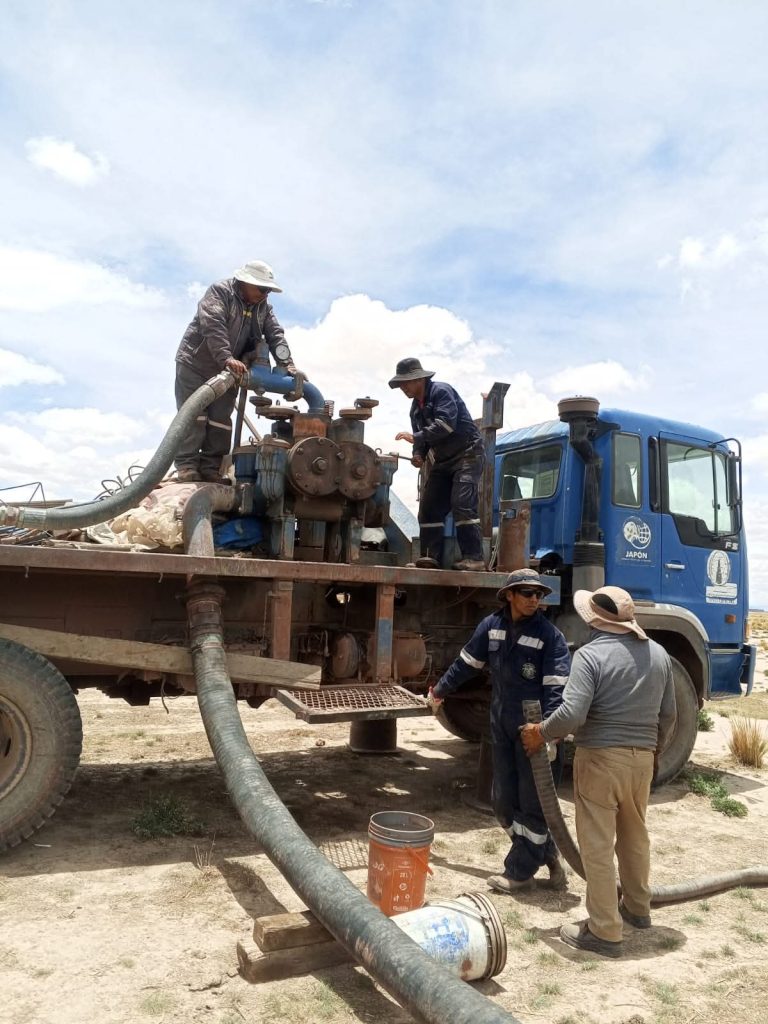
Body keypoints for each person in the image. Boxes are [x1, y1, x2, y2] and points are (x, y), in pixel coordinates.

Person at [520, 585, 677, 959]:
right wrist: (653, 749)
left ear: (594, 619)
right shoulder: (659, 654)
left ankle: (605, 931)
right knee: (635, 835)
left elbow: (573, 714)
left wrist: (540, 733)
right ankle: (637, 908)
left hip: (601, 759)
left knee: (597, 846)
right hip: (642, 760)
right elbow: (670, 715)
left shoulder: (590, 656)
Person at [430, 568, 571, 891]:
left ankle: (519, 873)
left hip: (533, 730)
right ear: (509, 595)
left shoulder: (550, 636)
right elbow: (466, 665)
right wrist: (439, 691)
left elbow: (556, 688)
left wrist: (548, 733)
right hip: (501, 725)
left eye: (539, 594)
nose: (534, 600)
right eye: (527, 593)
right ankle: (547, 855)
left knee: (532, 804)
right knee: (502, 802)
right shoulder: (491, 627)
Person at [174, 260, 304, 483]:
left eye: (268, 290)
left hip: (230, 370)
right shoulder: (220, 292)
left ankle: (211, 469)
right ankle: (187, 467)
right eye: (262, 289)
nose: (265, 294)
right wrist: (226, 357)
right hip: (196, 365)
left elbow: (275, 334)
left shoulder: (263, 308)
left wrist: (287, 364)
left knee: (220, 421)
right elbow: (213, 325)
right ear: (245, 282)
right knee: (194, 416)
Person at [390, 357, 486, 571]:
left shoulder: (442, 392)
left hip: (468, 454)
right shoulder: (415, 409)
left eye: (406, 382)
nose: (403, 387)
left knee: (462, 503)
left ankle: (474, 558)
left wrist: (415, 437)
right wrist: (418, 454)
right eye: (400, 384)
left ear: (420, 380)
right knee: (429, 508)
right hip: (443, 460)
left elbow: (446, 425)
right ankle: (429, 557)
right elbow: (422, 441)